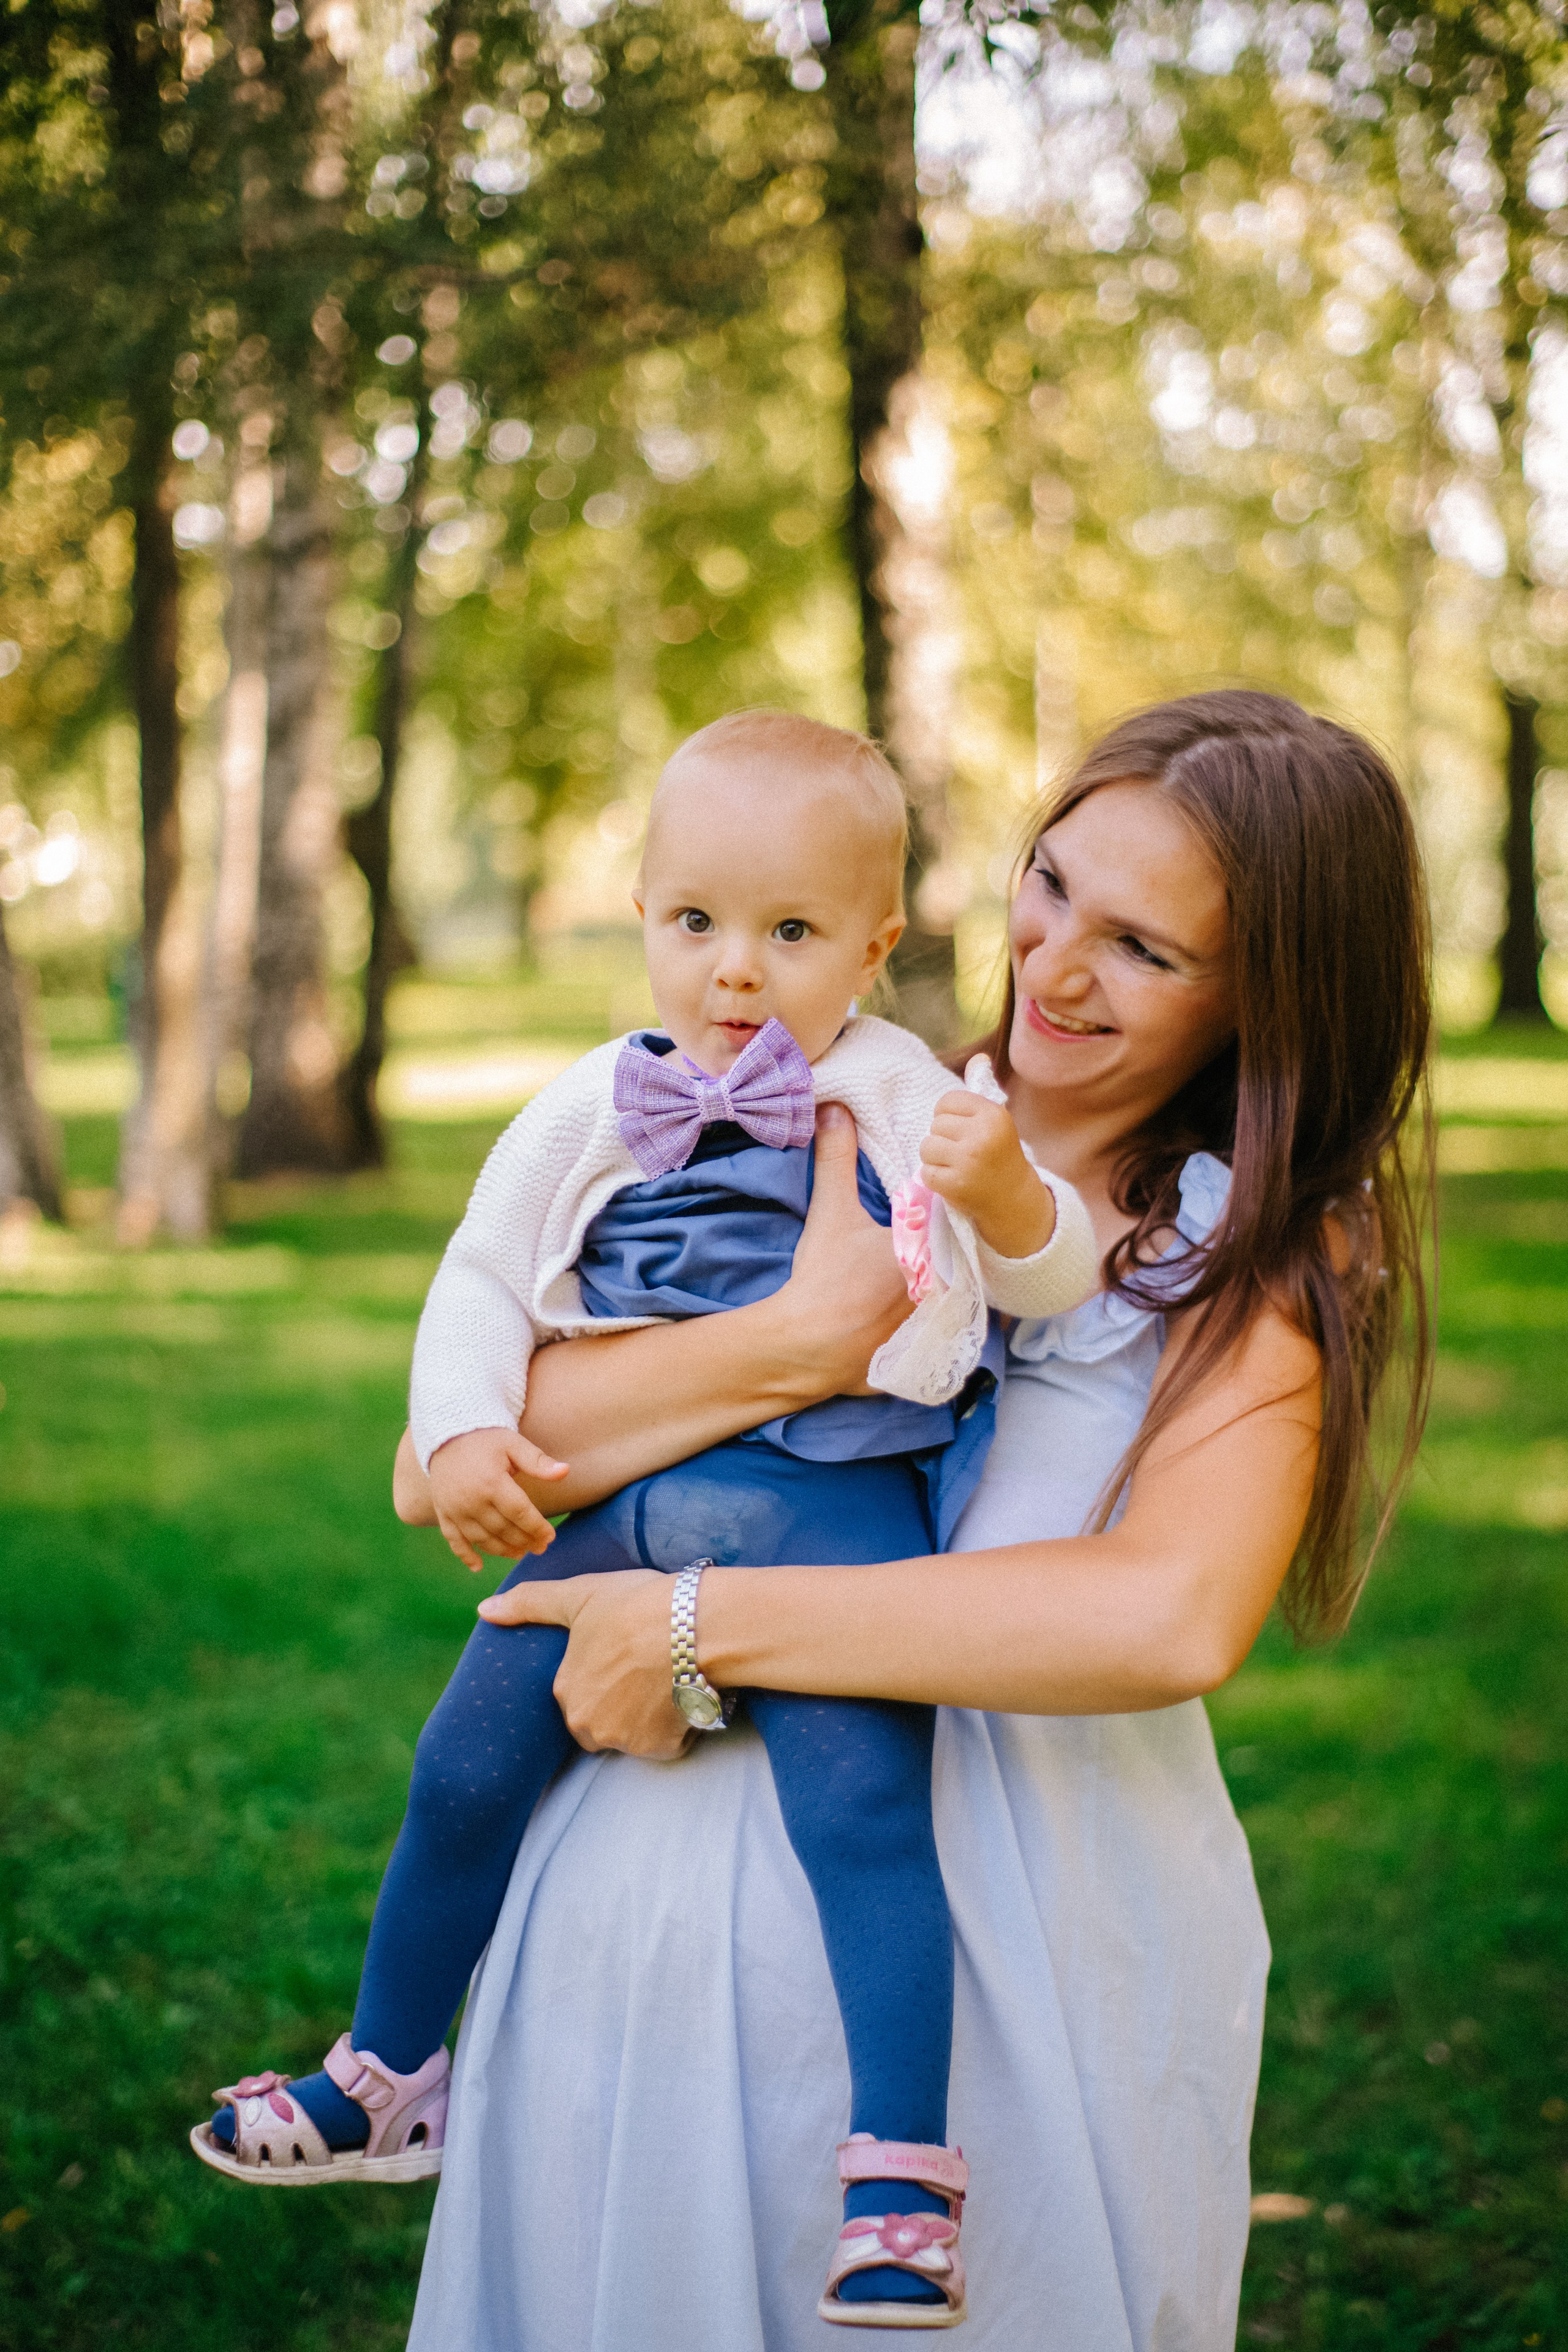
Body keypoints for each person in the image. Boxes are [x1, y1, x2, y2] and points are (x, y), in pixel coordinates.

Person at [396, 689, 1434, 2352]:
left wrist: (688, 1625)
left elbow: (1161, 1617)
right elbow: (477, 1441)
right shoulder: (837, 1104)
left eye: (1146, 951)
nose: (1055, 967)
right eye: (1050, 885)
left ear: (1269, 997)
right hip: (634, 1945)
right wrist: (797, 1344)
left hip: (1013, 1968)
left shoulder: (1250, 1255)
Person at [189, 712, 1099, 2328]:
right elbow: (480, 1270)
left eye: (792, 932)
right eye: (697, 923)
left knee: (867, 1811)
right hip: (616, 1515)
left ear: (878, 944)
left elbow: (1040, 1291)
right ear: (645, 915)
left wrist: (1010, 1195)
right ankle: (389, 2069)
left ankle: (901, 2169)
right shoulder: (598, 1101)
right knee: (465, 1761)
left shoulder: (902, 1088)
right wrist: (468, 1427)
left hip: (833, 1507)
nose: (735, 973)